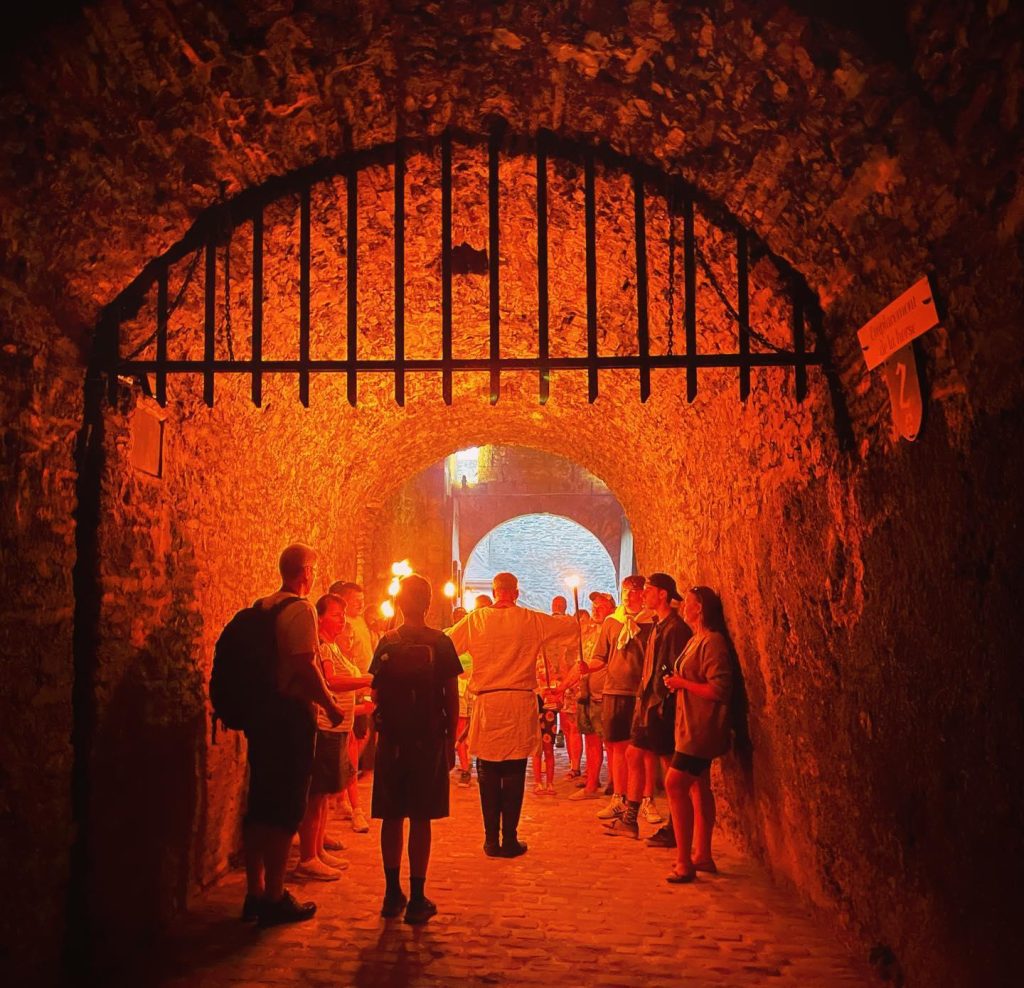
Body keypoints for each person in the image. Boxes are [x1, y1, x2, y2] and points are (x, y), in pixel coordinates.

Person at [242, 544, 346, 926]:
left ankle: (254, 891)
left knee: (259, 803)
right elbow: (305, 666)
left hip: (261, 714)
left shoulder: (263, 605)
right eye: (314, 568)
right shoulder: (301, 609)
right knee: (286, 807)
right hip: (289, 716)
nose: (315, 574)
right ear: (304, 572)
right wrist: (331, 706)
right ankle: (274, 895)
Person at [447, 572, 577, 857]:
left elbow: (445, 643)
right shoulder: (531, 619)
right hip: (519, 701)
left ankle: (490, 839)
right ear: (516, 593)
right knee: (515, 769)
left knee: (488, 769)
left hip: (488, 702)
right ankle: (510, 838)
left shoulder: (476, 620)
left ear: (495, 592)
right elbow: (569, 626)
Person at [370, 574, 462, 924]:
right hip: (427, 739)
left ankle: (392, 893)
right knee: (421, 817)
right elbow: (450, 698)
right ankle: (418, 896)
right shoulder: (441, 642)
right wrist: (450, 740)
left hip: (392, 740)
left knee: (391, 816)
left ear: (399, 603)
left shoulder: (387, 641)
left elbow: (376, 690)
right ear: (428, 604)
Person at [604, 573, 691, 839]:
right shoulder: (657, 625)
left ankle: (675, 828)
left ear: (662, 594)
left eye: (648, 590)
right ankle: (630, 820)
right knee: (633, 754)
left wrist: (661, 701)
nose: (643, 595)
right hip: (648, 704)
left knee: (669, 763)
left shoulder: (675, 628)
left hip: (660, 706)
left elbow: (673, 669)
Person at [296, 594, 374, 879]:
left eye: (343, 614)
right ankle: (308, 857)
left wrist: (364, 704)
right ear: (320, 617)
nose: (342, 619)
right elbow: (331, 682)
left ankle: (318, 848)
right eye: (336, 614)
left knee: (326, 793)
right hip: (326, 727)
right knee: (317, 795)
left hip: (339, 728)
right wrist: (367, 679)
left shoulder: (334, 647)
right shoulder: (323, 648)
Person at [663, 586, 734, 883]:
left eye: (689, 603)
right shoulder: (697, 639)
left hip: (700, 729)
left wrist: (682, 683)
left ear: (700, 608)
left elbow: (719, 689)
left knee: (674, 784)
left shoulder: (713, 642)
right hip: (689, 725)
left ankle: (684, 861)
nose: (683, 606)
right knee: (698, 787)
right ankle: (702, 855)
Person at [593, 576, 649, 823]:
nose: (628, 595)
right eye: (625, 590)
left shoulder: (650, 621)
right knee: (616, 746)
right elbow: (600, 657)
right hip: (614, 690)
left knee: (644, 749)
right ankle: (619, 797)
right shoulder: (611, 623)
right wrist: (584, 668)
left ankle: (646, 800)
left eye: (634, 590)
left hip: (640, 692)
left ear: (642, 593)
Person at [564, 592, 614, 800]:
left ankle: (616, 786)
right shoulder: (588, 632)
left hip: (606, 693)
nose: (596, 609)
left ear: (611, 607)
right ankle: (591, 784)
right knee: (591, 740)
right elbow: (579, 663)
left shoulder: (614, 629)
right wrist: (564, 686)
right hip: (586, 693)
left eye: (601, 605)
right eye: (594, 605)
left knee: (611, 743)